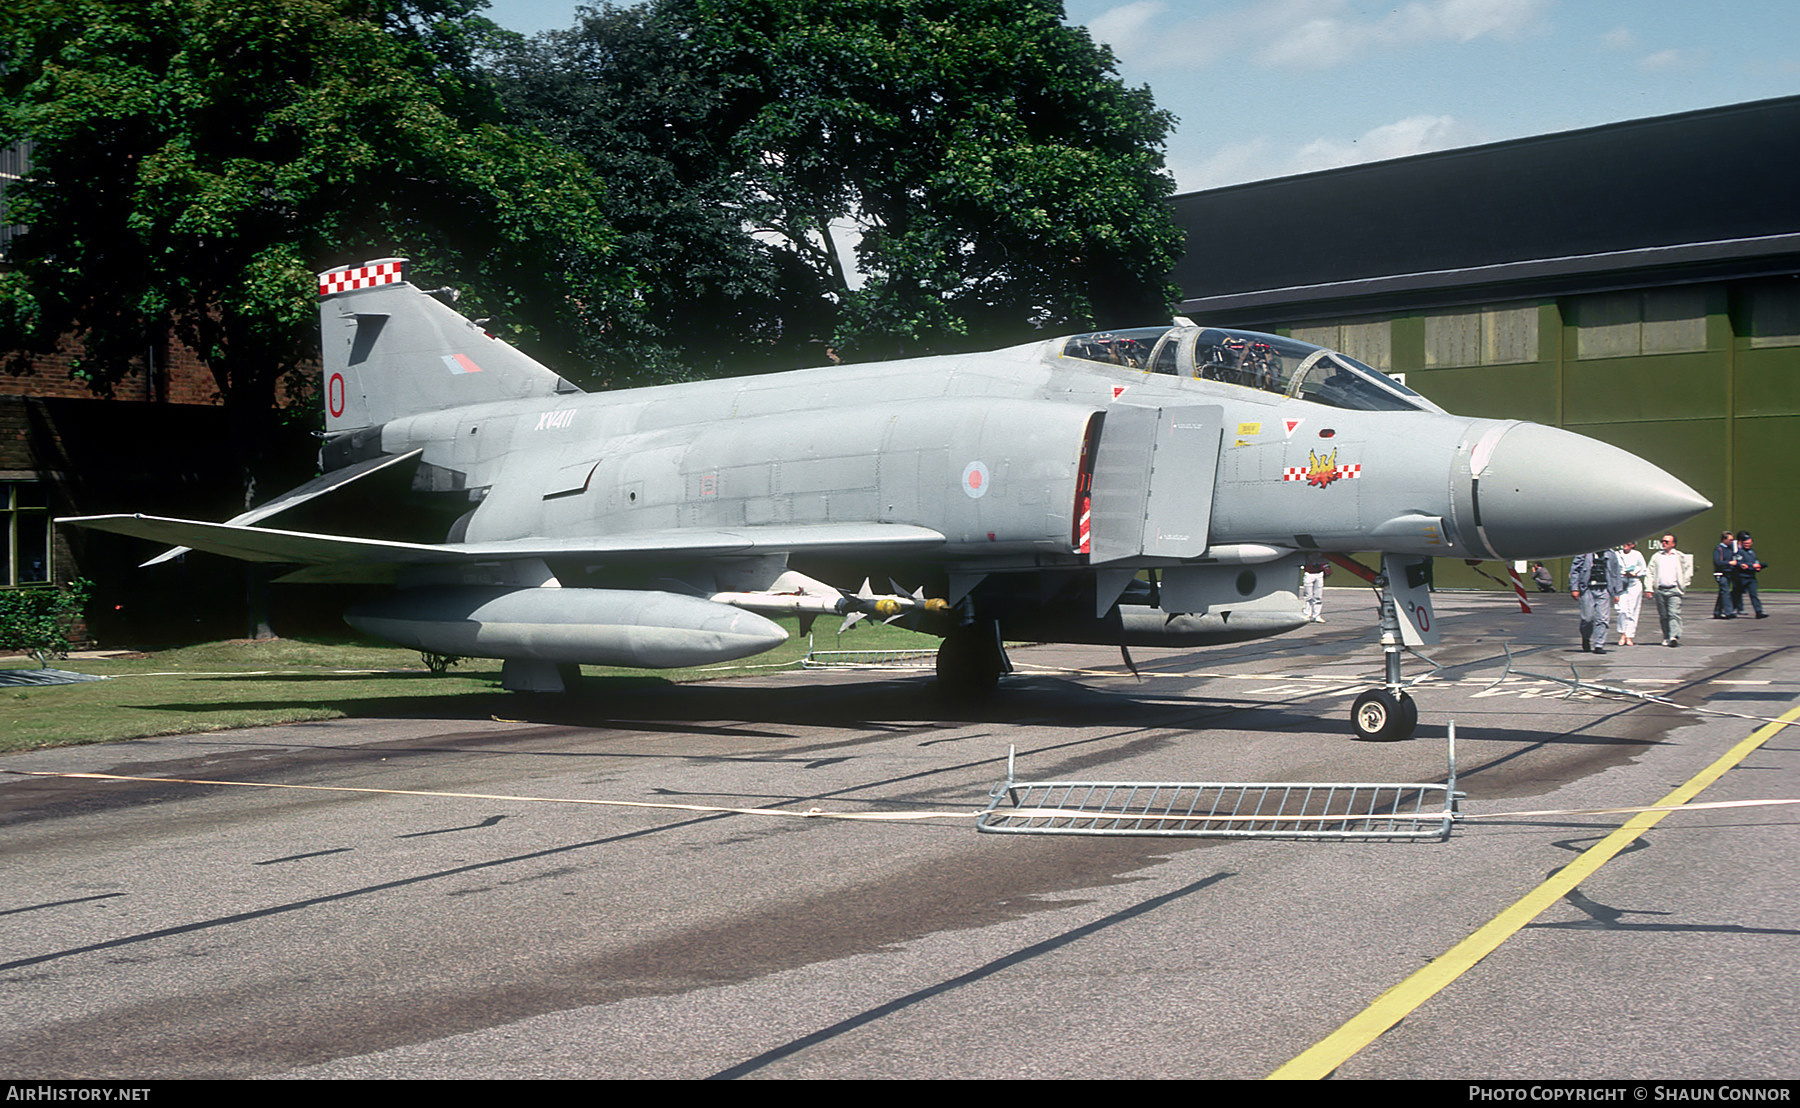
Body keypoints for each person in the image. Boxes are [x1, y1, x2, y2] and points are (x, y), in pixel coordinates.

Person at [1569, 548, 1622, 653]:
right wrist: (1574, 588)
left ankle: (1599, 644)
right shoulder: (1584, 553)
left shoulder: (1611, 554)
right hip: (1587, 589)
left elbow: (1616, 573)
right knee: (1587, 618)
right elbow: (1575, 570)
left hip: (1604, 589)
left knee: (1603, 618)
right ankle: (1586, 637)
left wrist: (1616, 592)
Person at [1647, 533, 1695, 647]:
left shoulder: (1679, 556)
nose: (1664, 543)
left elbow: (1688, 569)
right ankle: (1666, 636)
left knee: (1674, 613)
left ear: (1673, 544)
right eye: (1662, 541)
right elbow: (1650, 572)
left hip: (1674, 590)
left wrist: (1684, 583)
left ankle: (1674, 636)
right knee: (1664, 615)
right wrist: (1649, 588)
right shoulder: (1657, 556)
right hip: (1660, 590)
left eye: (1666, 541)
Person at [1614, 539, 1647, 645]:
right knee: (1622, 610)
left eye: (1628, 544)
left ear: (1633, 545)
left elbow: (1644, 569)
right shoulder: (1617, 554)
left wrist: (1635, 573)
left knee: (1632, 610)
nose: (1625, 546)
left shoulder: (1637, 555)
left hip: (1634, 583)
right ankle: (1622, 633)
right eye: (1624, 543)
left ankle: (1628, 636)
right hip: (1621, 583)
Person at [1732, 531, 1768, 619]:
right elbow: (1742, 565)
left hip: (1751, 577)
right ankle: (1730, 610)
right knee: (1736, 595)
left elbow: (1755, 561)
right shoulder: (1740, 553)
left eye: (1748, 543)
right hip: (1742, 577)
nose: (1747, 545)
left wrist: (1758, 567)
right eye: (1745, 543)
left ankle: (1759, 612)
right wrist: (1752, 566)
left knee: (1754, 595)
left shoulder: (1752, 552)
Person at [1714, 530, 1744, 618]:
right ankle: (1728, 612)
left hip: (1729, 573)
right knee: (1725, 592)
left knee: (1723, 592)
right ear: (1724, 539)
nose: (1731, 542)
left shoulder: (1730, 549)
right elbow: (1717, 562)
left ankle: (1717, 611)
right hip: (1721, 573)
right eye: (1730, 540)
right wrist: (1729, 563)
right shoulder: (1719, 549)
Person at [1301, 553, 1332, 622]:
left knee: (1318, 596)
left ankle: (1316, 616)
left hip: (1319, 573)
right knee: (1307, 596)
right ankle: (1306, 615)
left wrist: (1326, 566)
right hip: (1308, 573)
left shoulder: (1321, 552)